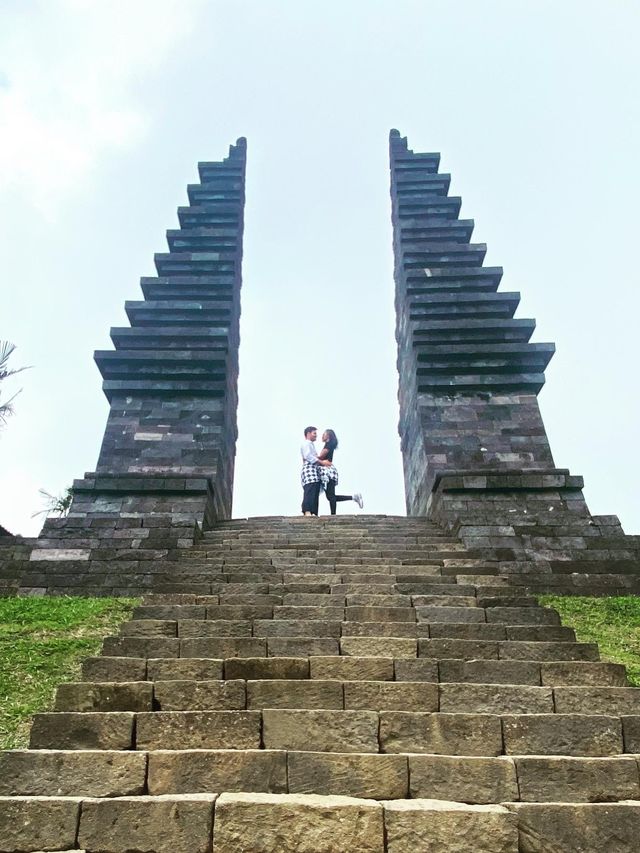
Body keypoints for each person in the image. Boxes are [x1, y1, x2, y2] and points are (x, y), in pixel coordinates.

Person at [318, 428, 363, 515]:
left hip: (328, 472)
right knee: (331, 496)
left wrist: (309, 456)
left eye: (324, 434)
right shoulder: (329, 444)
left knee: (331, 496)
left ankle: (333, 515)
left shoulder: (328, 444)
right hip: (329, 472)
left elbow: (320, 457)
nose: (322, 435)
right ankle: (354, 497)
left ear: (328, 436)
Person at [300, 425, 330, 517]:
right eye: (314, 433)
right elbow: (308, 456)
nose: (316, 435)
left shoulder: (310, 444)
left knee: (314, 490)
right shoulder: (306, 443)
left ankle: (313, 512)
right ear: (308, 434)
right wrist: (321, 462)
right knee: (310, 489)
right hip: (309, 469)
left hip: (314, 470)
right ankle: (307, 511)